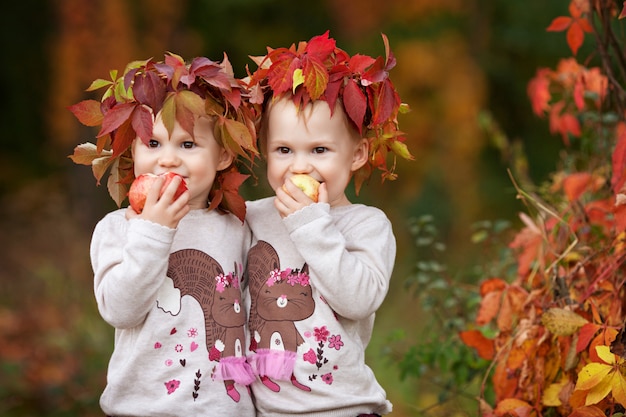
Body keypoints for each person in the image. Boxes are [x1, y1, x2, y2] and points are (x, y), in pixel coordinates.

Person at [68, 52, 259, 416]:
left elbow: (250, 315)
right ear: (134, 149)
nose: (168, 159)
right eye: (153, 144)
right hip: (143, 408)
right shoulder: (119, 228)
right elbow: (120, 310)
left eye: (187, 145)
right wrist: (153, 231)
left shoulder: (235, 227)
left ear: (222, 157)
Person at [243, 31, 413, 416]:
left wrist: (310, 224)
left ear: (357, 154)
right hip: (268, 409)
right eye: (284, 150)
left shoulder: (366, 225)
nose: (300, 166)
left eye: (319, 150)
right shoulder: (253, 217)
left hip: (343, 405)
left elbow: (358, 300)